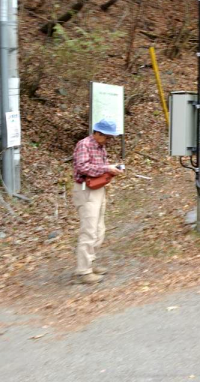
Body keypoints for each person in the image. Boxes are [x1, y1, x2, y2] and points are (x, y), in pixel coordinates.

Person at [71, 119, 121, 284]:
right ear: (98, 133)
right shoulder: (84, 145)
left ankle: (90, 263)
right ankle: (83, 271)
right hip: (85, 190)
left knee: (99, 229)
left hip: (98, 188)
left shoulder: (100, 146)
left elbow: (100, 166)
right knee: (89, 230)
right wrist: (107, 169)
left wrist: (111, 168)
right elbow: (83, 167)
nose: (109, 140)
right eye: (107, 137)